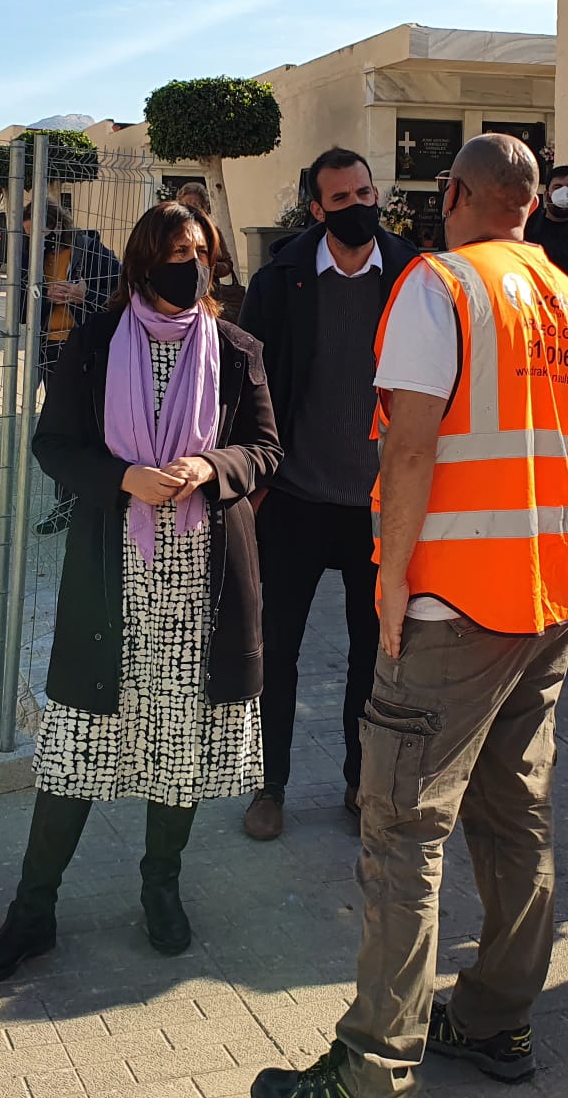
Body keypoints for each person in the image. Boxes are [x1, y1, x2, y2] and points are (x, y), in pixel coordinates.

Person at [253, 134, 568, 1098]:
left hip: (454, 604)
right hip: (548, 600)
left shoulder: (439, 288)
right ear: (533, 205)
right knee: (515, 816)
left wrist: (393, 580)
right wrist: (567, 569)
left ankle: (373, 1061)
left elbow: (409, 449)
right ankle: (497, 1020)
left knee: (403, 829)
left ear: (452, 193)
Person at [0, 202, 280, 985]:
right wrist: (122, 479)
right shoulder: (97, 345)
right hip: (115, 583)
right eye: (176, 251)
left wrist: (212, 468)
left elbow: (267, 449)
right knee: (75, 750)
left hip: (200, 588)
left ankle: (160, 886)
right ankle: (33, 911)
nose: (192, 264)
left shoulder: (236, 348)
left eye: (202, 251)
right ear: (143, 262)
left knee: (180, 749)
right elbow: (52, 444)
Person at [236, 148, 420, 841]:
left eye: (364, 193)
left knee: (373, 653)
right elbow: (245, 384)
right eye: (340, 199)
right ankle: (269, 783)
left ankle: (357, 782)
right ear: (315, 209)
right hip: (296, 500)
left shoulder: (413, 275)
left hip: (381, 508)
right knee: (275, 648)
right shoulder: (281, 279)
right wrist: (251, 483)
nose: (356, 207)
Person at [23, 203, 121, 534]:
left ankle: (97, 502)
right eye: (27, 234)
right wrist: (44, 296)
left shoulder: (91, 250)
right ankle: (64, 506)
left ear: (54, 224)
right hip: (50, 352)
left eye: (36, 231)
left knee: (95, 428)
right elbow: (19, 304)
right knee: (61, 431)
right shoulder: (32, 256)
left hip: (87, 351)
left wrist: (84, 295)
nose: (32, 239)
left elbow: (119, 294)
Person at [177, 180, 246, 323]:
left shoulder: (212, 232)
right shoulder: (172, 233)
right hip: (179, 297)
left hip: (209, 297)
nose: (190, 209)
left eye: (195, 205)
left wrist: (211, 266)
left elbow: (227, 263)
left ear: (203, 207)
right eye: (186, 205)